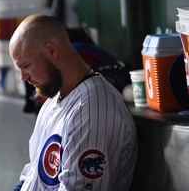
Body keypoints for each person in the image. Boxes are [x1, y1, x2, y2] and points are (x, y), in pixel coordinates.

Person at [9, 14, 137, 191]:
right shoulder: (52, 102)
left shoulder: (92, 109)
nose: (23, 77)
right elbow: (29, 178)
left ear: (52, 51)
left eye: (26, 66)